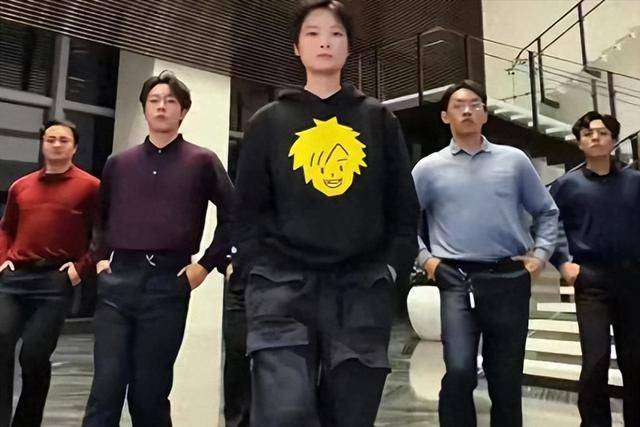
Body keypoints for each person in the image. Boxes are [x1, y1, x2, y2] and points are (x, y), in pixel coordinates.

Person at [232, 1, 419, 425]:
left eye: (335, 33)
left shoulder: (378, 120)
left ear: (348, 46)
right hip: (280, 285)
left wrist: (391, 270)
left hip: (360, 287)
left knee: (352, 413)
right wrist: (254, 267)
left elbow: (404, 208)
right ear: (296, 47)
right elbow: (246, 211)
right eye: (313, 33)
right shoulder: (268, 122)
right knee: (283, 412)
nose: (325, 42)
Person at [81, 70, 235, 426]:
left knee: (149, 393)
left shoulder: (202, 161)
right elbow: (99, 217)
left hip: (169, 283)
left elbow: (236, 214)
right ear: (145, 108)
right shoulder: (119, 163)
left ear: (183, 111)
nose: (161, 107)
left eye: (170, 101)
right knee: (105, 388)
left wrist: (205, 266)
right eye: (154, 101)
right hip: (118, 282)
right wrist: (100, 261)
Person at [412, 80, 558, 427]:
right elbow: (403, 222)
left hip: (509, 277)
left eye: (475, 104)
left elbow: (547, 212)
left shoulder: (514, 161)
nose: (467, 111)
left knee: (505, 378)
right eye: (459, 105)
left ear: (485, 114)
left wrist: (539, 256)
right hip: (456, 279)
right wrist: (427, 261)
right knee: (460, 369)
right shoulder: (428, 168)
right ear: (445, 116)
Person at [0, 120, 99, 427]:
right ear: (42, 144)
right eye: (50, 139)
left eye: (63, 140)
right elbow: (6, 228)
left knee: (34, 355)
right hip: (15, 279)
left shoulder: (90, 187)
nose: (56, 144)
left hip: (55, 282)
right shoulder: (21, 186)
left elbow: (102, 234)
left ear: (74, 147)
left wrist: (80, 269)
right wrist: (2, 259)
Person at [550, 111, 640, 427]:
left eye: (602, 133)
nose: (596, 138)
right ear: (579, 143)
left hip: (634, 279)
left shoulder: (635, 182)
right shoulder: (566, 185)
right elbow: (549, 225)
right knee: (595, 361)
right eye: (588, 133)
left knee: (636, 362)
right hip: (591, 281)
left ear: (614, 140)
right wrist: (563, 262)